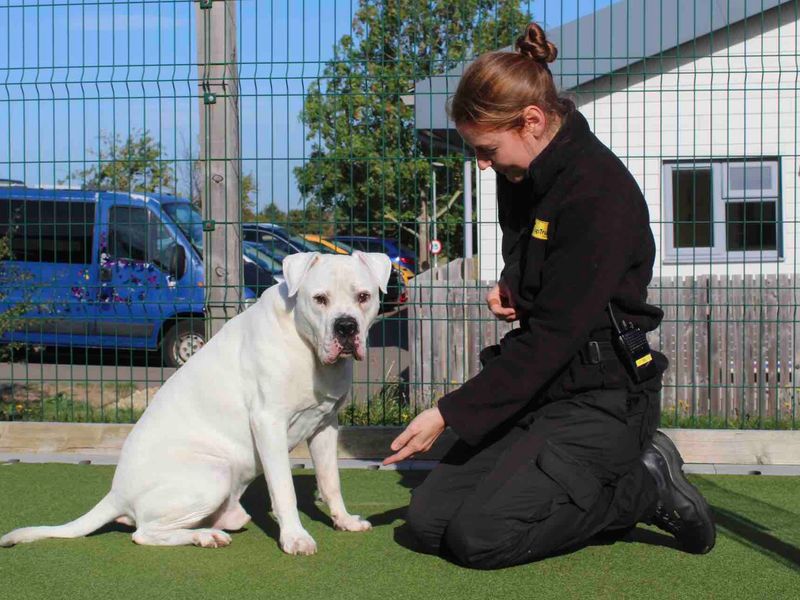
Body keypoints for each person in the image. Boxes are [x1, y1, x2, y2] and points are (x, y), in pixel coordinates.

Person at [382, 22, 716, 570]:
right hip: (545, 393)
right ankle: (576, 477)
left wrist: (448, 412)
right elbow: (531, 253)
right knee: (426, 524)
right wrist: (514, 284)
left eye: (486, 149)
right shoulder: (521, 175)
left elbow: (553, 338)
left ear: (531, 121)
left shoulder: (597, 195)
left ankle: (641, 486)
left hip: (604, 400)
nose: (482, 164)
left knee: (479, 538)